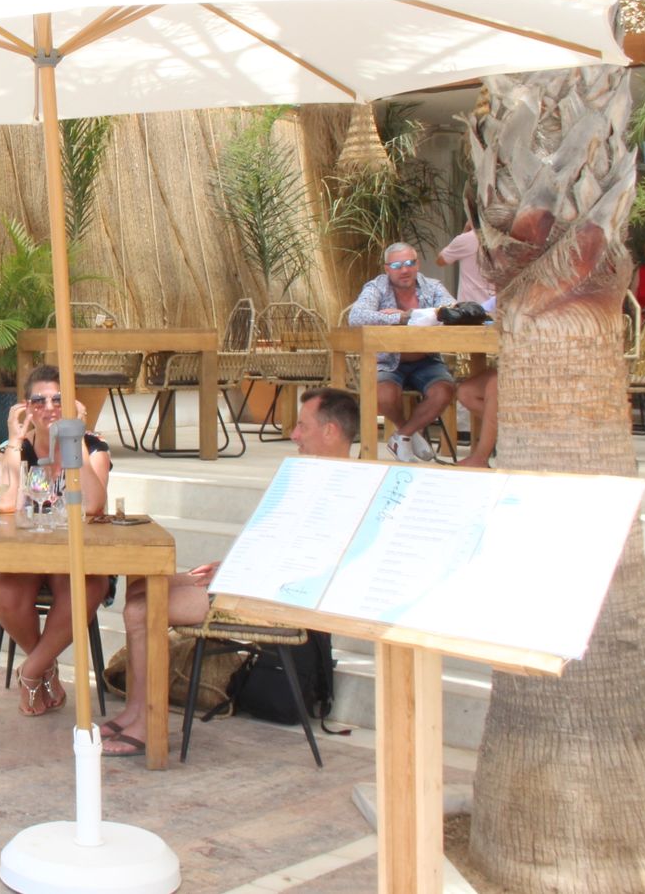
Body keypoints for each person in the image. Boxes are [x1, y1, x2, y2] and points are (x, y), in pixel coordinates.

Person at [101, 387, 360, 756]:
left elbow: (314, 564)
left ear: (331, 431)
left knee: (144, 609)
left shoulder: (347, 486)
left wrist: (240, 575)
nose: (294, 434)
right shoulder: (306, 475)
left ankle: (147, 725)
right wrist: (230, 567)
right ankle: (135, 711)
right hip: (253, 579)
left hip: (278, 597)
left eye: (302, 426)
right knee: (141, 588)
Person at [0, 364, 112, 717]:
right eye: (39, 400)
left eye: (58, 399)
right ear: (26, 406)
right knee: (2, 586)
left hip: (73, 555)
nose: (49, 407)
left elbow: (92, 504)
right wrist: (13, 440)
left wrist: (75, 438)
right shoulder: (13, 449)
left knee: (85, 587)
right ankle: (46, 668)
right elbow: (5, 503)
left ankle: (29, 672)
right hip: (25, 553)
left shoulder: (92, 447)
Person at [348, 242, 457, 464]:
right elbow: (357, 317)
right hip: (388, 361)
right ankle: (409, 434)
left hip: (426, 359)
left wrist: (407, 314)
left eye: (410, 263)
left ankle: (403, 435)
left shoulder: (432, 286)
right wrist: (402, 318)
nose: (404, 270)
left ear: (417, 265)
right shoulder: (376, 287)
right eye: (397, 265)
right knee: (383, 395)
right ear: (387, 269)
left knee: (445, 391)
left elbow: (451, 311)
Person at [436, 221, 495, 305]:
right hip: (500, 310)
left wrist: (464, 233)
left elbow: (440, 261)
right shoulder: (506, 238)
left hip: (470, 310)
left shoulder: (467, 239)